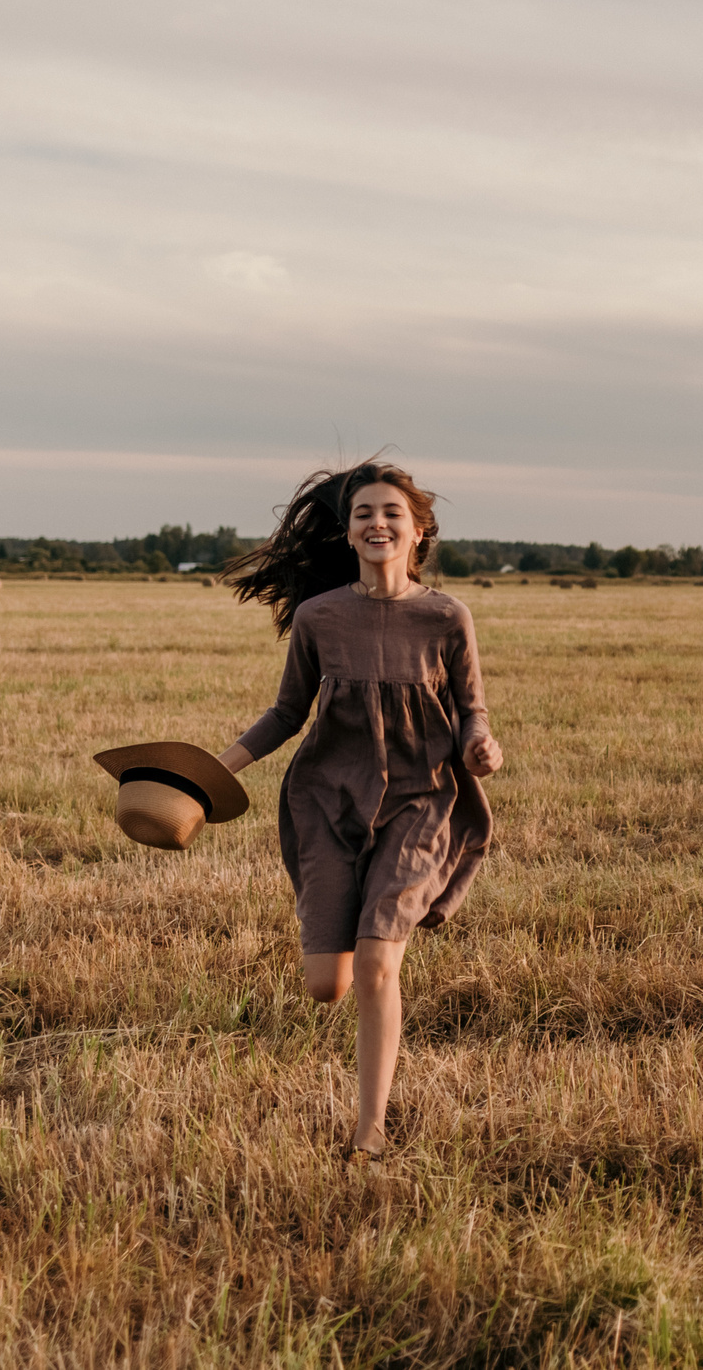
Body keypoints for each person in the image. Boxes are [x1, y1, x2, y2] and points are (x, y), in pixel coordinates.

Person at [216, 461, 502, 1161]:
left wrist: (480, 744)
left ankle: (369, 1129)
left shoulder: (446, 617)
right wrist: (214, 770)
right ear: (347, 532)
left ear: (418, 530)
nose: (378, 523)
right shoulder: (318, 618)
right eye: (364, 513)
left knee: (377, 962)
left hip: (420, 800)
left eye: (392, 512)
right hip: (328, 800)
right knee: (327, 985)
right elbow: (287, 713)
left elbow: (472, 709)